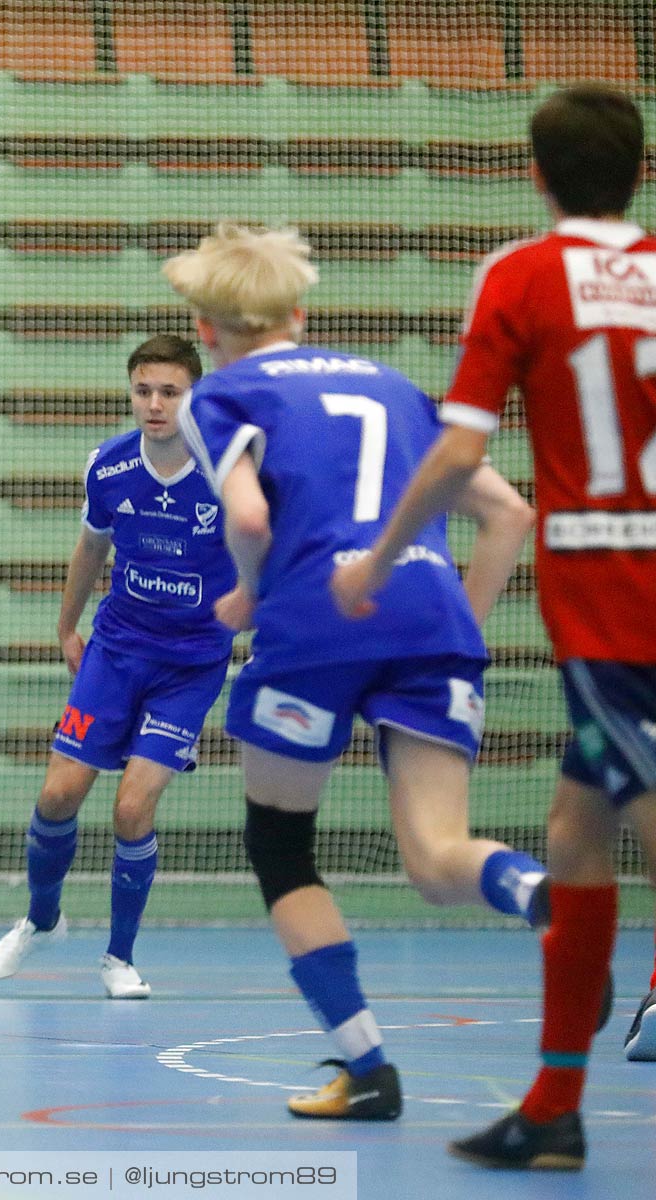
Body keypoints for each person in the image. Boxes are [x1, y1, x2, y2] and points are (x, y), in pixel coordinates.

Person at [332, 85, 656, 1169]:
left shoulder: (522, 275)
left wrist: (379, 558)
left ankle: (556, 1108)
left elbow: (463, 453)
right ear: (641, 172)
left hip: (617, 595)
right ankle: (555, 1110)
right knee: (575, 837)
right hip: (620, 600)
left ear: (536, 173)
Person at [166, 223, 550, 1122]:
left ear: (207, 326)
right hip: (430, 621)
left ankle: (369, 1068)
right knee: (437, 857)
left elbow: (251, 519)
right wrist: (454, 628)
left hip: (315, 623)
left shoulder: (221, 393)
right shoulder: (397, 387)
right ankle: (540, 894)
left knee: (280, 846)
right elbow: (509, 516)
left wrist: (251, 600)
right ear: (299, 311)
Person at [0, 335, 232, 999]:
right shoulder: (110, 466)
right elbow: (90, 549)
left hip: (191, 665)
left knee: (131, 808)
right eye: (143, 390)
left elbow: (266, 554)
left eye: (169, 392)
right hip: (115, 651)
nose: (154, 403)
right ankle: (40, 918)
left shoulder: (228, 470)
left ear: (193, 395)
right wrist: (66, 627)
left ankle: (119, 957)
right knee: (58, 794)